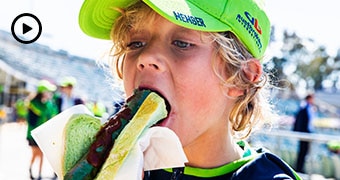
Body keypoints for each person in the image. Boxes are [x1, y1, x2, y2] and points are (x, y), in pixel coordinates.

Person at [78, 0, 301, 179]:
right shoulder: (109, 167)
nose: (146, 58)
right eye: (135, 43)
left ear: (240, 78)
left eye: (182, 43)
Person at [26, 80, 58, 179]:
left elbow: (54, 113)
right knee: (36, 154)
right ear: (42, 92)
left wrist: (50, 101)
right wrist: (48, 102)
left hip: (43, 135)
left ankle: (39, 174)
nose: (50, 93)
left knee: (41, 154)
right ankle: (31, 169)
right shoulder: (33, 103)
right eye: (48, 91)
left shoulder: (48, 104)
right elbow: (43, 113)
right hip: (33, 134)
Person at [293, 94, 316, 173]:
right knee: (302, 151)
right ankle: (299, 168)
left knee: (304, 151)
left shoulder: (309, 108)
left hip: (308, 132)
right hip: (304, 133)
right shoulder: (304, 107)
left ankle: (300, 168)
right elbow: (300, 120)